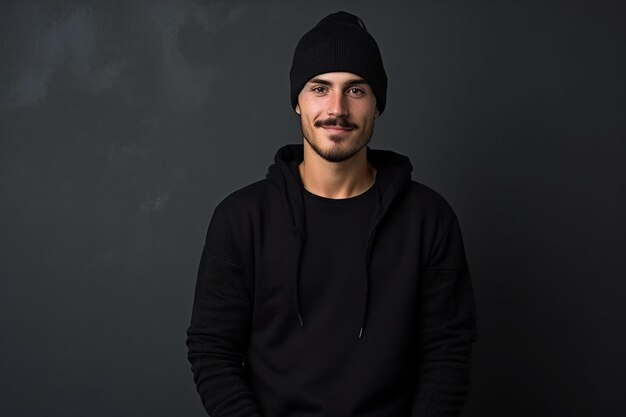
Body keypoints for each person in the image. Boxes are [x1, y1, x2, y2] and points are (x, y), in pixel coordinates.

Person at [186, 11, 478, 417]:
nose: (336, 108)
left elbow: (447, 351)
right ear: (297, 102)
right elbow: (212, 349)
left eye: (356, 90)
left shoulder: (429, 218)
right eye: (320, 88)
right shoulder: (241, 218)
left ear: (377, 105)